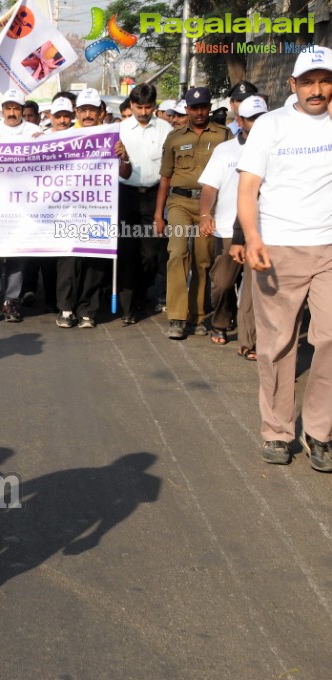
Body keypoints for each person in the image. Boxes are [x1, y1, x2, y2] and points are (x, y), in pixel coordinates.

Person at [237, 47, 332, 470]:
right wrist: (253, 238)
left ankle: (320, 431)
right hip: (277, 248)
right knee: (277, 345)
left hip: (329, 249)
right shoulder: (271, 126)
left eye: (325, 80)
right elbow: (247, 188)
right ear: (292, 85)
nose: (317, 90)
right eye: (308, 81)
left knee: (330, 340)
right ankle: (277, 431)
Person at [154, 86, 230, 339]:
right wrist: (158, 214)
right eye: (194, 108)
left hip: (210, 206)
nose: (199, 112)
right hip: (179, 203)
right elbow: (165, 178)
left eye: (203, 107)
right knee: (177, 253)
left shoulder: (224, 135)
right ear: (186, 109)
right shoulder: (174, 137)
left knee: (203, 260)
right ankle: (177, 317)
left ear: (209, 108)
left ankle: (196, 316)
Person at [56, 87, 130, 329]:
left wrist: (123, 157)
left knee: (96, 259)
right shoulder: (62, 136)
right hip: (68, 210)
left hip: (99, 208)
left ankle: (88, 309)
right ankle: (66, 309)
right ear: (76, 112)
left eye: (92, 110)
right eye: (83, 109)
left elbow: (126, 174)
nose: (87, 114)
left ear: (101, 111)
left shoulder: (113, 137)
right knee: (69, 258)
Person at [199, 95, 266, 346]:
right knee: (223, 284)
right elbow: (209, 188)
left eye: (262, 118)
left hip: (262, 231)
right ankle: (220, 322)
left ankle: (249, 342)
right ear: (239, 120)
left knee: (252, 291)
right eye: (251, 119)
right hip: (227, 230)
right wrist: (206, 214)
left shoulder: (275, 147)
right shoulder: (225, 150)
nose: (257, 124)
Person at [0, 88, 40, 323]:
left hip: (23, 202)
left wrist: (43, 143)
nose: (12, 112)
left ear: (22, 110)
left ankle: (12, 299)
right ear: (2, 109)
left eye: (16, 108)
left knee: (18, 249)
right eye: (8, 108)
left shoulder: (35, 131)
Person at [117, 83, 172, 324]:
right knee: (128, 253)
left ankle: (142, 293)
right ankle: (129, 308)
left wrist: (160, 213)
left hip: (154, 196)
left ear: (154, 106)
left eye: (148, 107)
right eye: (139, 107)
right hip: (125, 195)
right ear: (131, 105)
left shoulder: (165, 130)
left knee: (150, 255)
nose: (143, 112)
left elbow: (167, 172)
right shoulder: (119, 130)